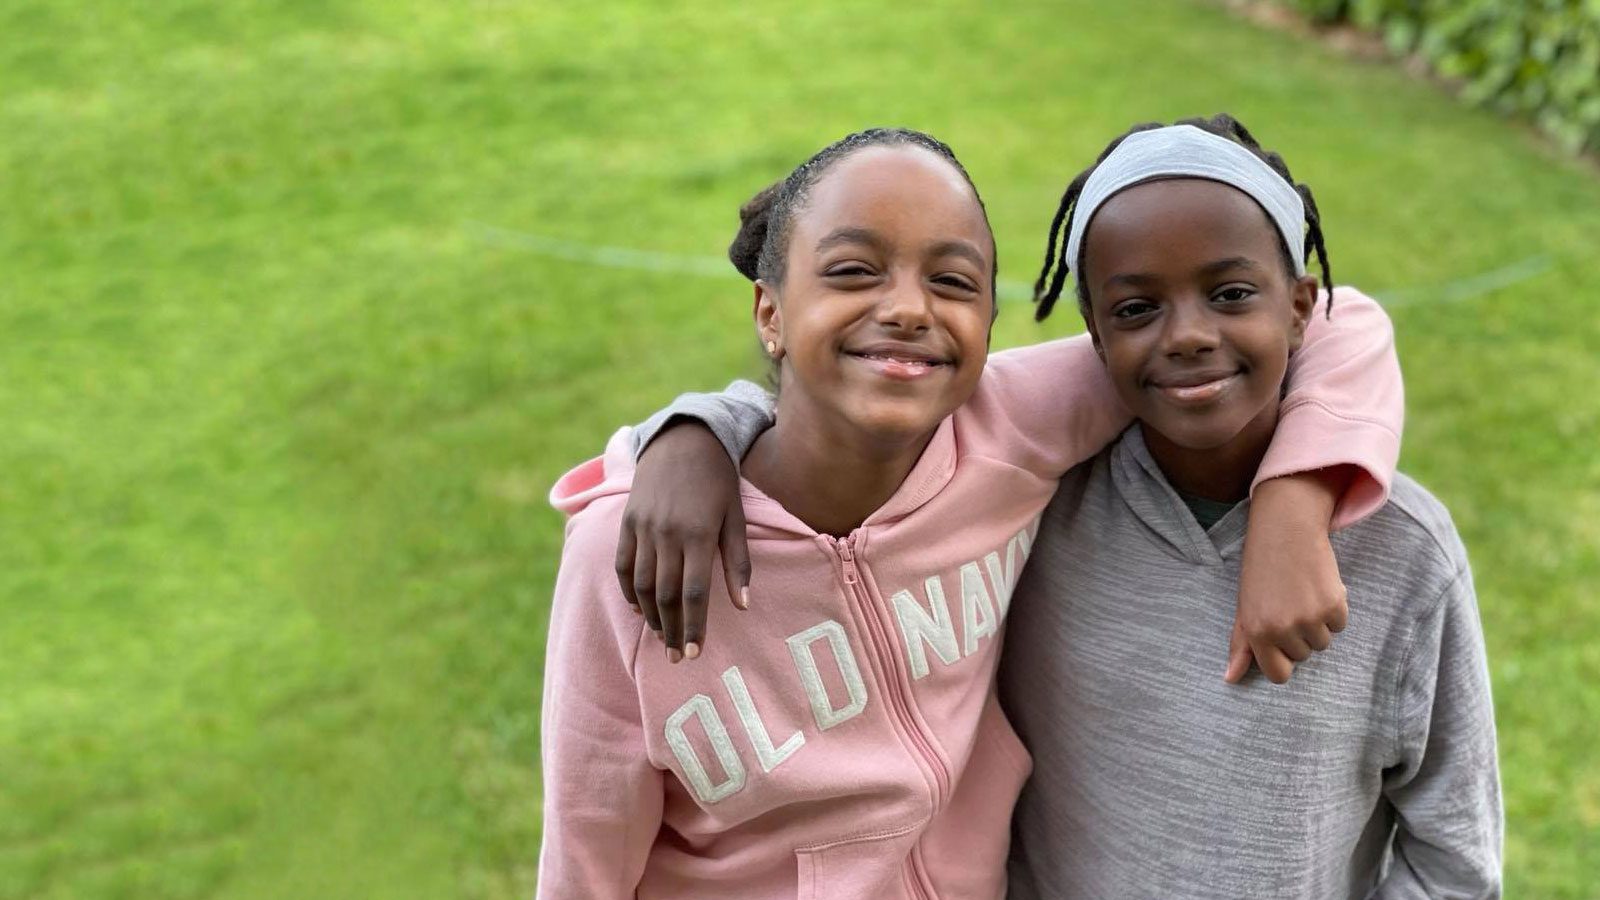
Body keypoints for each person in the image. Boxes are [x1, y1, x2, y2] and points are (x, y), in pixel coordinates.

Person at [539, 125, 1400, 899]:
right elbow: (585, 856)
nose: (909, 308)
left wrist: (1292, 501)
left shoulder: (1011, 424)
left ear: (990, 322)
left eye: (952, 281)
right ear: (770, 310)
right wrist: (690, 432)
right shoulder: (628, 556)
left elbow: (1335, 318)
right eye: (852, 271)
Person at [998, 116, 1501, 898]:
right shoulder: (1031, 514)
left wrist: (1295, 504)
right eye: (1136, 308)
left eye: (1231, 294)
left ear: (1302, 306)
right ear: (1093, 333)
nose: (1190, 335)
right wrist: (730, 434)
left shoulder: (1406, 553)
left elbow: (1453, 856)